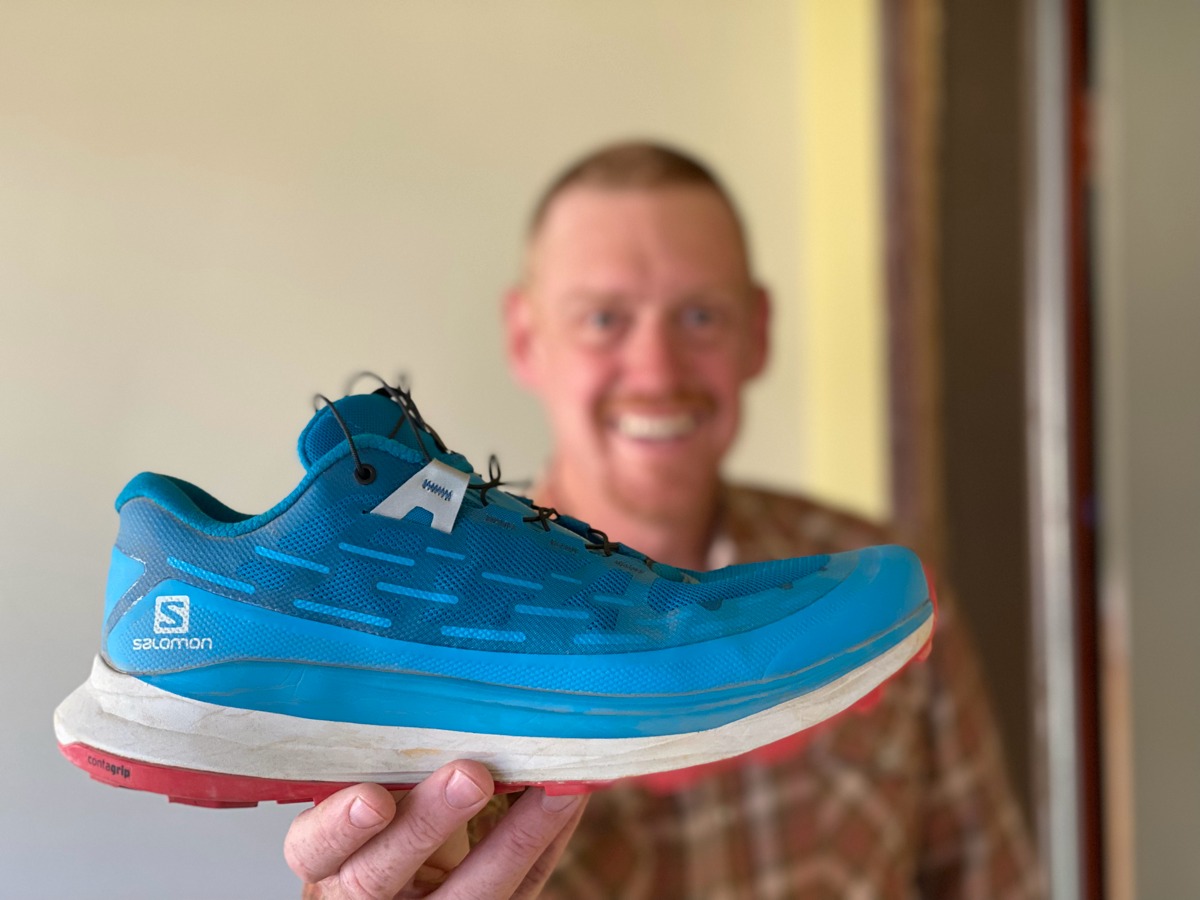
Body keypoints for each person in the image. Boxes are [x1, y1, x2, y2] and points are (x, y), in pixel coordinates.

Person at [283, 142, 1043, 898]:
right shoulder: (415, 620)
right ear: (526, 338)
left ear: (758, 331)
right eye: (605, 318)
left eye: (701, 315)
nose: (656, 372)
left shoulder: (879, 602)